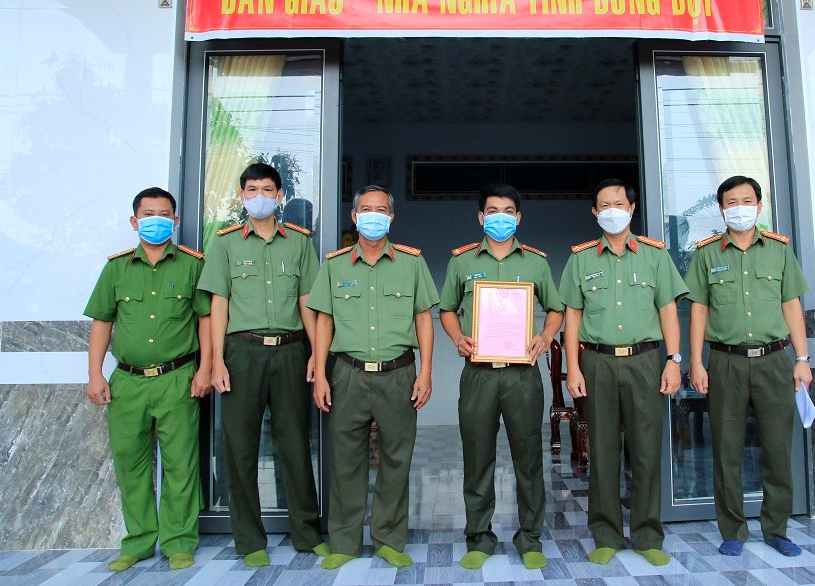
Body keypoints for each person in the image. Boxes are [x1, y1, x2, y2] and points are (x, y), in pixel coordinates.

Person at [197, 162, 327, 567]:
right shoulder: (225, 243)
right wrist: (216, 361)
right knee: (240, 448)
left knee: (295, 445)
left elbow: (308, 302)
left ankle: (306, 534)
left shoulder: (299, 243)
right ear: (242, 196)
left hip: (290, 351)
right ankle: (250, 541)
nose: (259, 197)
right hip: (242, 352)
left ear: (280, 195)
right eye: (251, 190)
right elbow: (218, 304)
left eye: (267, 190)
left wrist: (316, 355)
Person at [307, 185, 439, 570]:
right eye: (366, 209)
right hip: (347, 374)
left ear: (392, 217)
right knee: (345, 460)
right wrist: (320, 374)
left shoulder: (411, 264)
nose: (373, 216)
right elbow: (324, 321)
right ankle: (345, 542)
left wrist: (426, 372)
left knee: (396, 459)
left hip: (398, 374)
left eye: (381, 210)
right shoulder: (334, 266)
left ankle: (388, 539)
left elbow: (423, 320)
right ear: (354, 216)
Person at [558, 178, 688, 567]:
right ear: (594, 212)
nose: (612, 211)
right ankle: (606, 534)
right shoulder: (581, 259)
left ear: (632, 209)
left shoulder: (655, 256)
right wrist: (572, 367)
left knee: (646, 449)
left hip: (645, 361)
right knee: (602, 450)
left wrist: (674, 359)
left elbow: (668, 310)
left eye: (619, 204)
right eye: (604, 206)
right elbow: (572, 317)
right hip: (597, 362)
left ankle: (648, 534)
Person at [683, 175, 812, 558]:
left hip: (775, 361)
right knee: (726, 450)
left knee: (777, 448)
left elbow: (792, 306)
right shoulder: (707, 254)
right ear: (721, 209)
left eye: (746, 201)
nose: (739, 208)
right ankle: (733, 530)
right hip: (726, 362)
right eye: (731, 202)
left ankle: (776, 529)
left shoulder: (779, 250)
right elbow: (699, 310)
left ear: (759, 205)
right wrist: (697, 362)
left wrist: (802, 359)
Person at [84, 187, 212, 572]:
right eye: (148, 214)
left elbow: (205, 320)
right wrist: (95, 374)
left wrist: (205, 368)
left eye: (164, 215)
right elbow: (102, 322)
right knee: (131, 463)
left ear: (175, 221)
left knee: (181, 465)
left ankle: (178, 542)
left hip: (177, 378)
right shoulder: (116, 269)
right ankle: (138, 542)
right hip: (128, 382)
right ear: (134, 221)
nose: (157, 220)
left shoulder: (192, 265)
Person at [438, 183, 564, 570]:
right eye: (493, 211)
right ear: (481, 217)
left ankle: (530, 537)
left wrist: (545, 336)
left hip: (522, 376)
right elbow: (446, 309)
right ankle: (479, 537)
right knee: (477, 458)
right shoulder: (461, 261)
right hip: (478, 374)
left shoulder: (536, 263)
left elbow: (556, 309)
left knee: (529, 459)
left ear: (518, 217)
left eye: (508, 211)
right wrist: (457, 337)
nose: (500, 218)